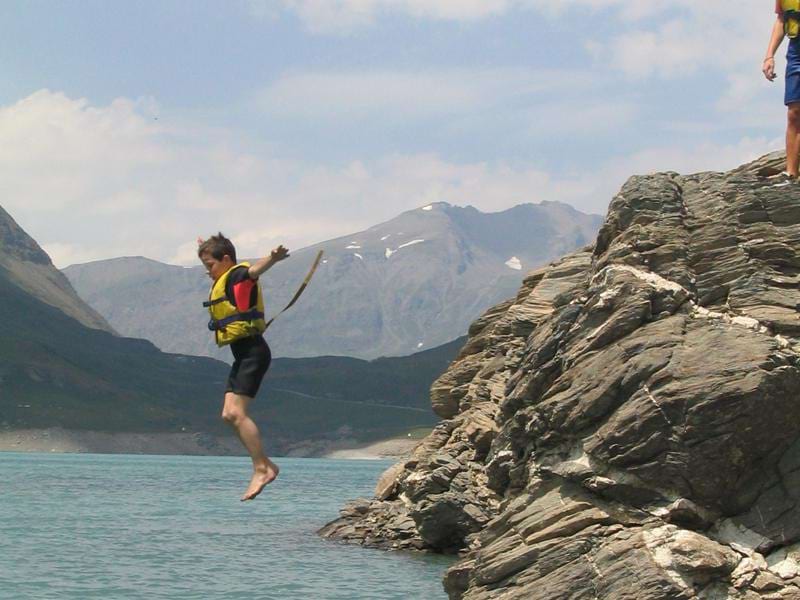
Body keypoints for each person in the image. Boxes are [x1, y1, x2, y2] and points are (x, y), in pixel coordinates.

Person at [198, 233, 289, 501]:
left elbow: (253, 271)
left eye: (210, 266)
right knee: (228, 414)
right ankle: (264, 465)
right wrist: (204, 246)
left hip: (253, 353)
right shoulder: (225, 278)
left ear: (226, 259)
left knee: (236, 414)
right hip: (244, 355)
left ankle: (263, 468)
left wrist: (272, 258)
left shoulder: (237, 275)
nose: (209, 273)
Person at [764, 1, 800, 177]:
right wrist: (769, 56)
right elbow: (781, 20)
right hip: (796, 51)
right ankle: (791, 175)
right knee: (794, 113)